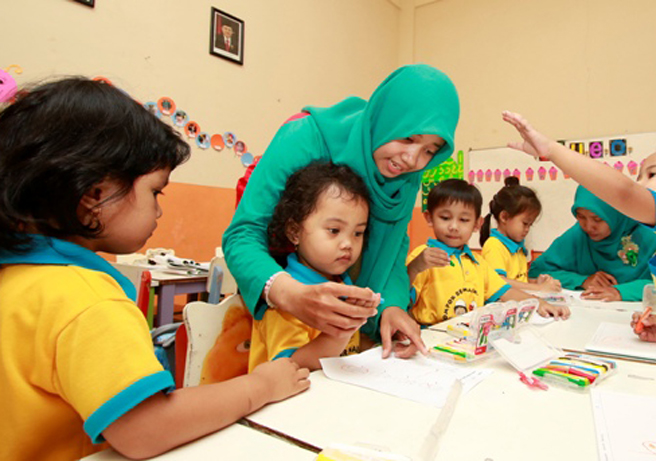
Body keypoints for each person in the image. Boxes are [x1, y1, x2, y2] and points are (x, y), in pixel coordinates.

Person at [0, 78, 310, 461]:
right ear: (94, 196)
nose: (159, 210)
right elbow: (144, 429)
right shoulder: (87, 301)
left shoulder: (15, 278)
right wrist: (258, 387)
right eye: (155, 192)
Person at [223, 64, 460, 359]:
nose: (413, 159)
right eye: (408, 138)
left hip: (344, 324)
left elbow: (392, 256)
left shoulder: (406, 178)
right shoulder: (305, 136)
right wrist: (291, 294)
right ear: (386, 119)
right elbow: (243, 234)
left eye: (430, 150)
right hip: (276, 295)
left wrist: (392, 308)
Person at [502, 111, 656, 361]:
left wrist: (551, 150)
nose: (641, 184)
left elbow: (626, 192)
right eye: (639, 177)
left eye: (652, 174)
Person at [249, 162, 379, 371]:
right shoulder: (287, 298)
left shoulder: (342, 282)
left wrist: (378, 349)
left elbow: (348, 349)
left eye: (358, 233)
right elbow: (292, 367)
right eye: (334, 230)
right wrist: (344, 329)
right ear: (294, 231)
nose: (348, 244)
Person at [406, 179, 569, 326]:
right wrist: (415, 267)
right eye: (445, 217)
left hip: (468, 338)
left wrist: (539, 303)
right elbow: (399, 295)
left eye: (463, 220)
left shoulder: (478, 263)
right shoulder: (423, 256)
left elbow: (506, 291)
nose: (454, 226)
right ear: (429, 218)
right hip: (431, 337)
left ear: (477, 224)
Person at [528, 185, 656, 301]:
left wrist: (620, 292)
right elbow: (538, 272)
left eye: (597, 219)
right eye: (581, 217)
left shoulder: (649, 236)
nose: (588, 226)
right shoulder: (579, 235)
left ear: (616, 213)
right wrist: (582, 280)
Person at [479, 176, 562, 293]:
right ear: (504, 217)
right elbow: (499, 282)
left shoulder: (517, 246)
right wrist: (538, 288)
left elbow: (518, 281)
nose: (527, 229)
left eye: (530, 225)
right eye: (525, 223)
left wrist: (536, 282)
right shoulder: (494, 246)